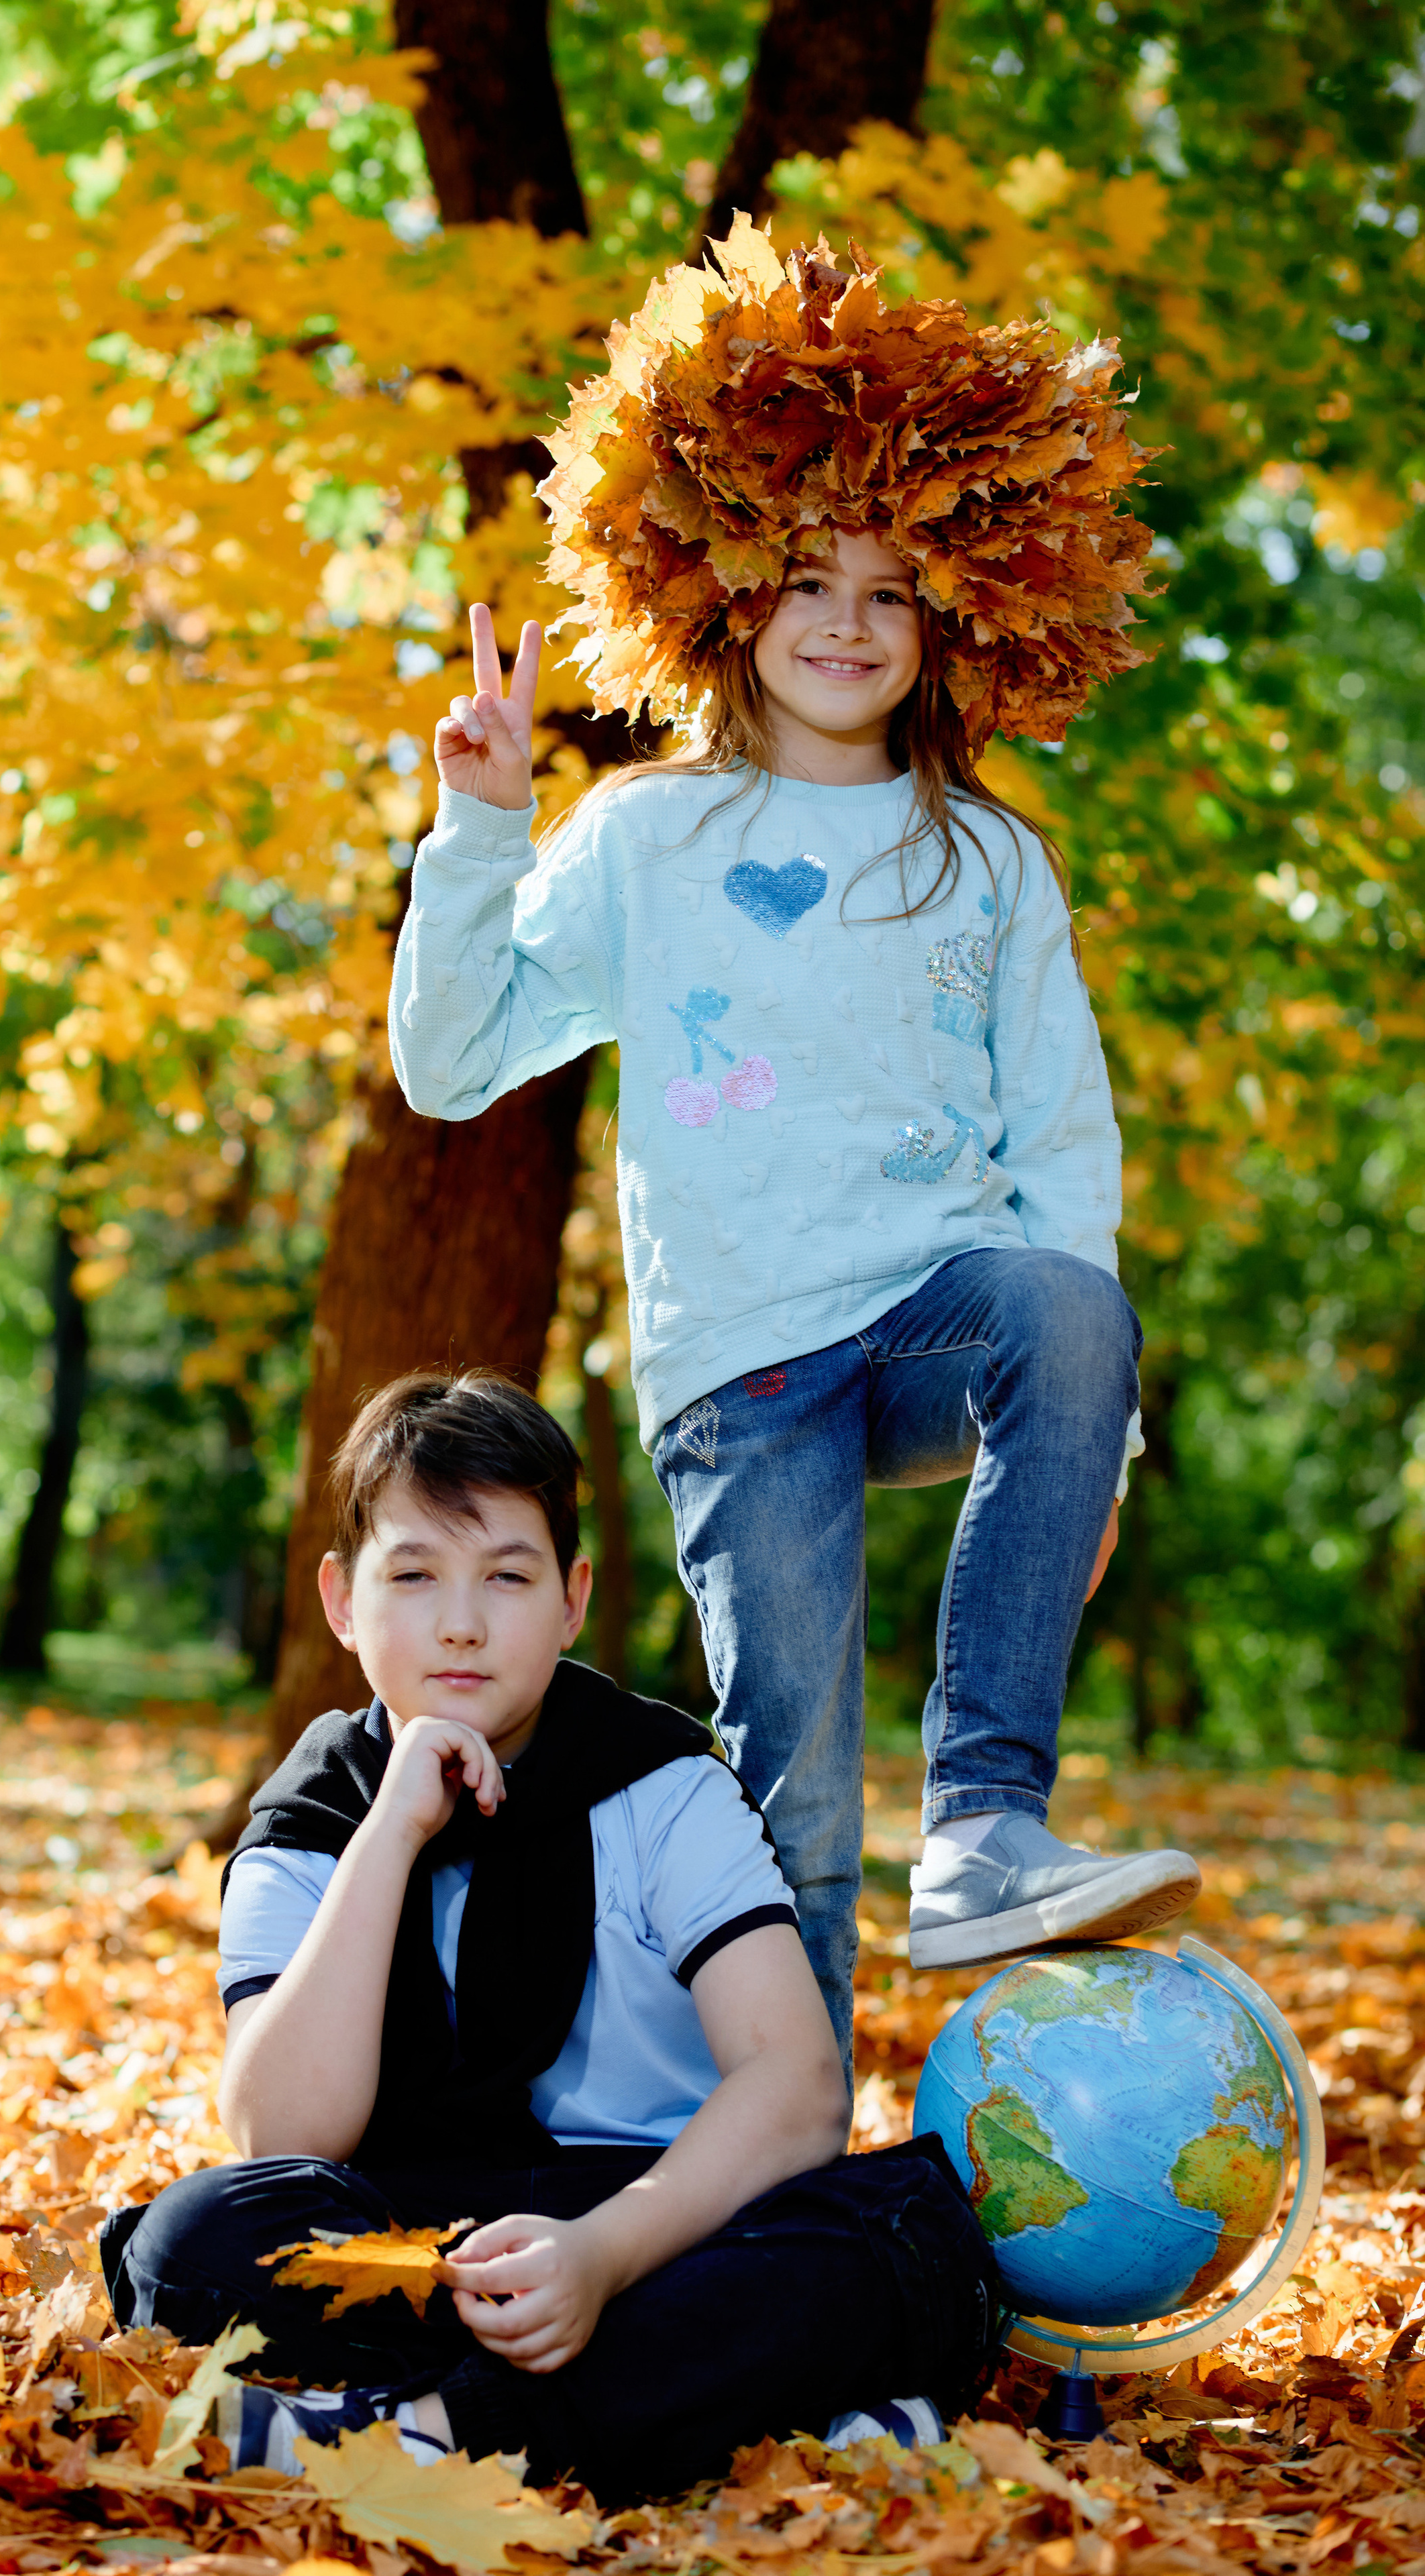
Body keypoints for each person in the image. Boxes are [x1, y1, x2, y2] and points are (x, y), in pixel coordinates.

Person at [387, 221, 1201, 2063]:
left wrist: (1099, 1429)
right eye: (806, 577)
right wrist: (482, 832)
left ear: (957, 623)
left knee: (1069, 1310)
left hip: (928, 1325)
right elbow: (453, 1067)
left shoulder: (989, 860)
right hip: (741, 1363)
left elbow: (1064, 1148)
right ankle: (783, 2171)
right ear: (722, 593)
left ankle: (989, 1827)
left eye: (893, 591)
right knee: (799, 1800)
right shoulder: (645, 839)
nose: (847, 620)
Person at [100, 1371, 1004, 2503]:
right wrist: (393, 1831)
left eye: (509, 1577)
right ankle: (731, 2402)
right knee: (192, 2245)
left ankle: (429, 2427)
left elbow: (798, 2087)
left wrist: (603, 2256)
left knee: (904, 2244)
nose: (462, 1623)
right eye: (415, 1575)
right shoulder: (312, 1820)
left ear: (574, 1599)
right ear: (341, 1600)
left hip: (658, 2217)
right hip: (422, 2240)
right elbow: (286, 2130)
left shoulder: (661, 1784)